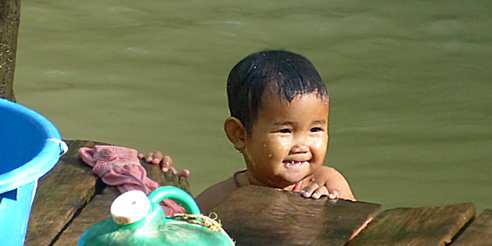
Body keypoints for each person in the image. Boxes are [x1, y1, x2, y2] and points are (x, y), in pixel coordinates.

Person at [142, 49, 355, 213]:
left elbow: (361, 240)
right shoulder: (220, 200)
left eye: (315, 129)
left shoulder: (327, 182)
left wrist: (332, 212)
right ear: (239, 135)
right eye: (285, 131)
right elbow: (183, 236)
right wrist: (155, 181)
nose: (302, 145)